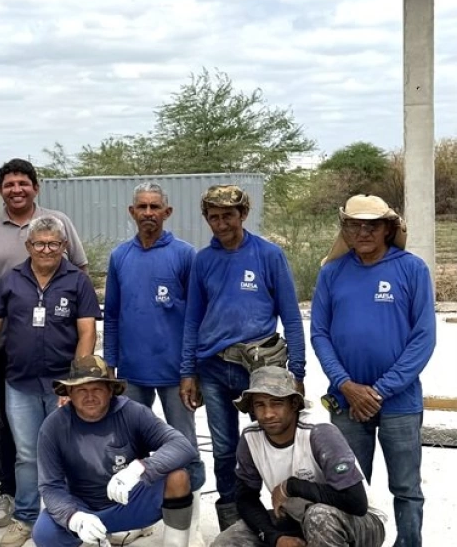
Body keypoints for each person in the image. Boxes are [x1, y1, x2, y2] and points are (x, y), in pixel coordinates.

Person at [0, 215, 100, 547]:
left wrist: (76, 383)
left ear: (64, 246)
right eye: (39, 243)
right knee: (26, 455)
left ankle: (69, 515)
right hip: (19, 382)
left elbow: (87, 332)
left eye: (53, 244)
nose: (46, 250)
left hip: (62, 385)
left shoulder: (77, 281)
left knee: (70, 451)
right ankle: (27, 516)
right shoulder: (10, 279)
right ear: (27, 246)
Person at [311, 194, 435, 546]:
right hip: (347, 403)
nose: (363, 232)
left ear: (387, 229)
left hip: (399, 403)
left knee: (406, 489)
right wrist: (346, 384)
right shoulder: (332, 272)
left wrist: (379, 391)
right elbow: (319, 333)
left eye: (372, 225)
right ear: (345, 229)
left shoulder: (411, 269)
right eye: (354, 225)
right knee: (348, 487)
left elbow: (424, 338)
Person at [179, 185, 306, 531]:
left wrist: (297, 370)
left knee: (275, 441)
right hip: (214, 367)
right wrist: (187, 371)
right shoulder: (203, 260)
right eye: (214, 217)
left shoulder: (269, 255)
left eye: (228, 216)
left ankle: (287, 517)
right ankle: (235, 524)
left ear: (243, 215)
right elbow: (192, 318)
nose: (221, 224)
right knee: (224, 449)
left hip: (261, 366)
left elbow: (291, 315)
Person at [33, 354, 206, 547]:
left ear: (110, 390)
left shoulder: (133, 412)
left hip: (130, 501)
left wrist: (139, 469)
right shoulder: (53, 426)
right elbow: (50, 486)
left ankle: (176, 544)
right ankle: (89, 531)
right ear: (70, 393)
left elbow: (182, 446)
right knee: (44, 533)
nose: (89, 397)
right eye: (81, 390)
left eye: (97, 389)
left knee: (178, 477)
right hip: (82, 505)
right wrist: (74, 517)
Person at [211, 366, 386, 547]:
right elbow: (246, 498)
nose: (268, 414)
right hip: (295, 517)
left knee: (319, 517)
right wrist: (274, 538)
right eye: (260, 405)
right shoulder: (250, 438)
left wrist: (292, 486)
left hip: (360, 522)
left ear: (293, 404)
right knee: (228, 540)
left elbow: (356, 502)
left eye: (276, 403)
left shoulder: (318, 433)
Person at [104, 182, 198, 448]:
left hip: (175, 373)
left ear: (167, 212)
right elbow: (111, 316)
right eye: (142, 207)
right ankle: (139, 491)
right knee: (130, 443)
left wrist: (191, 371)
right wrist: (110, 365)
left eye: (154, 207)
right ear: (131, 211)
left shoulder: (185, 255)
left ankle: (190, 491)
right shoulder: (120, 256)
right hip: (132, 373)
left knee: (183, 443)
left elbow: (196, 319)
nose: (148, 212)